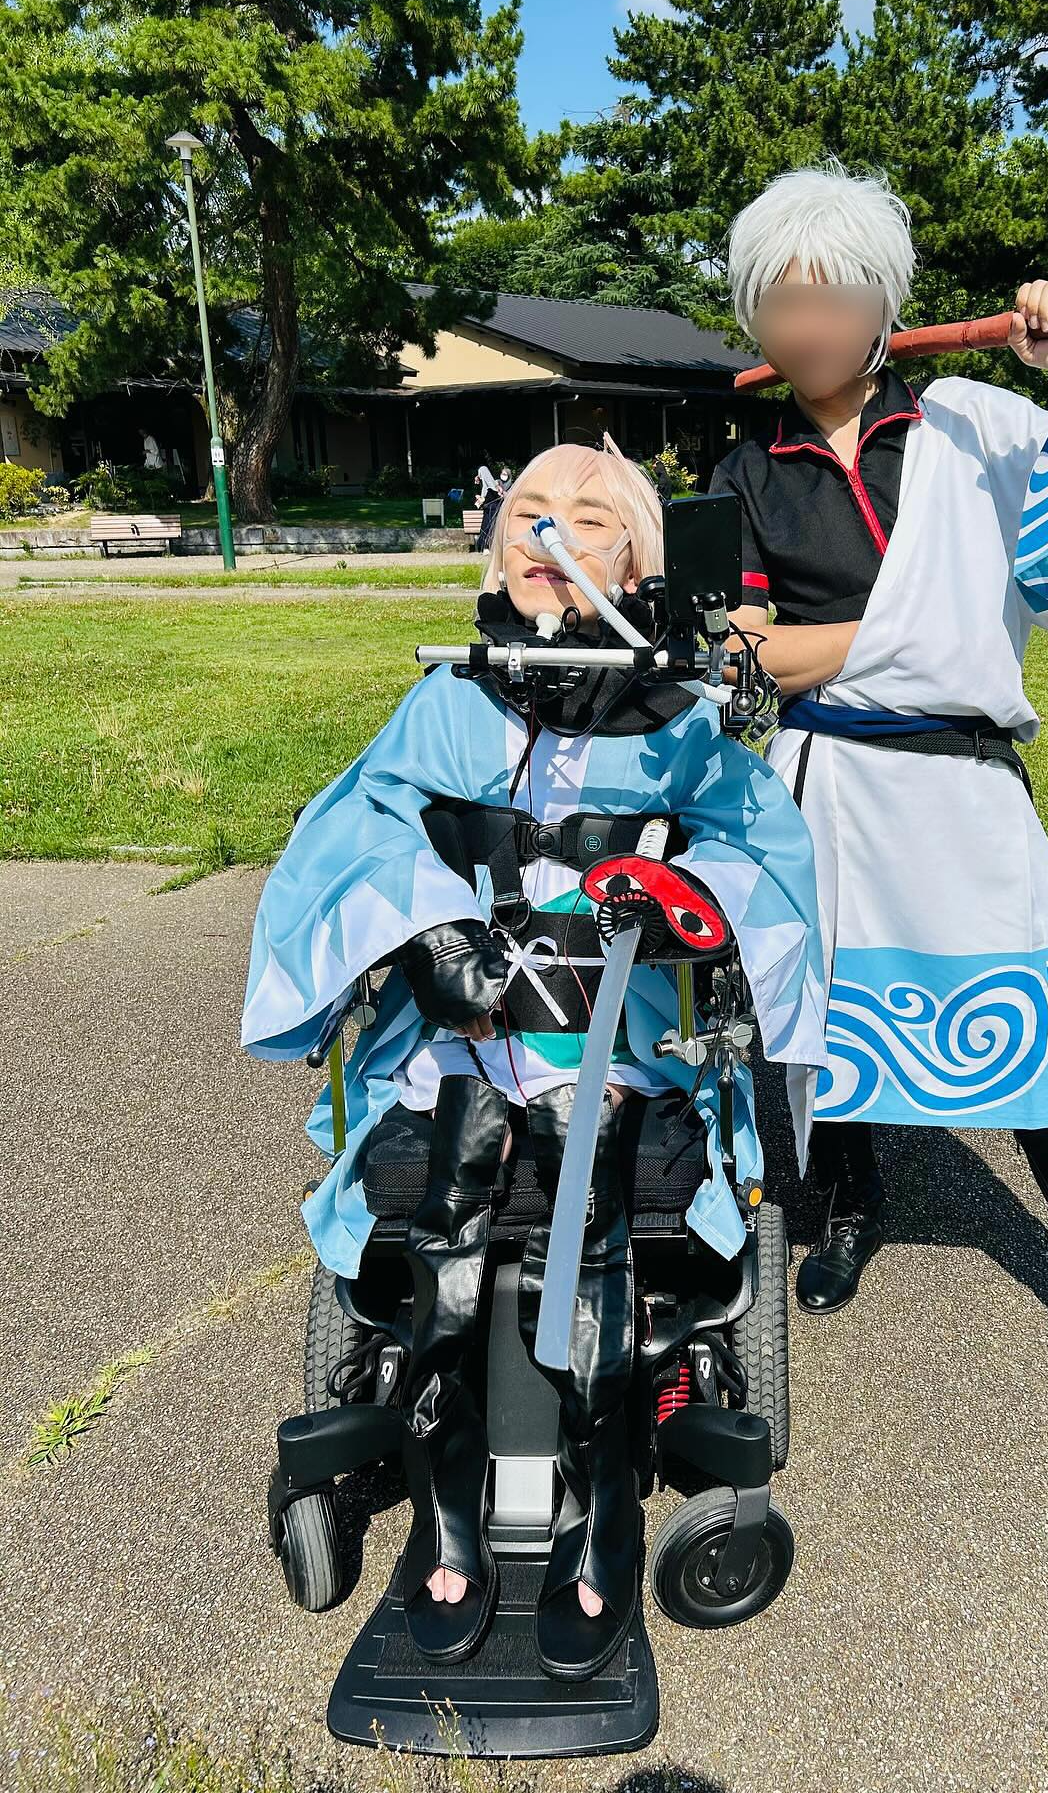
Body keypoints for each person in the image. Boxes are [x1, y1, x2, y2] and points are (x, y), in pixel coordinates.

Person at [241, 437, 825, 1675]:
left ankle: (600, 1511)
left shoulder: (682, 726)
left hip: (620, 1044)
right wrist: (427, 923)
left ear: (641, 561)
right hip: (459, 1043)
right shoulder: (446, 705)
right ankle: (449, 1512)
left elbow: (767, 854)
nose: (548, 530)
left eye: (588, 516)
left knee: (590, 1206)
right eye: (528, 511)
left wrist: (688, 899)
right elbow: (354, 828)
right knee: (448, 1225)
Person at [712, 160, 1048, 1456]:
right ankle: (857, 1204)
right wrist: (902, 638)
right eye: (780, 302)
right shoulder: (748, 467)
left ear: (886, 306)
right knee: (831, 1030)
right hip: (823, 788)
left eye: (834, 298)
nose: (807, 326)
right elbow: (742, 656)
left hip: (963, 783)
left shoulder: (975, 429)